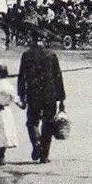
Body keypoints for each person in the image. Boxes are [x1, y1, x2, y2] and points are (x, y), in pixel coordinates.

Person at [17, 33, 66, 163]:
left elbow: (21, 77)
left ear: (32, 40)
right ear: (44, 41)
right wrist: (61, 99)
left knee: (32, 122)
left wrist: (21, 95)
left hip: (33, 94)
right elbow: (58, 77)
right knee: (48, 123)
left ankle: (36, 143)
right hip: (50, 94)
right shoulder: (51, 55)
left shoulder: (26, 55)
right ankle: (44, 156)